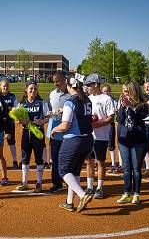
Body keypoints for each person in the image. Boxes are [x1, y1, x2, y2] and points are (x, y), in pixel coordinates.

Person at [51, 73, 94, 213]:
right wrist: (64, 111)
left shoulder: (70, 101)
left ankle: (83, 195)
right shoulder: (87, 99)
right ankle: (69, 202)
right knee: (74, 171)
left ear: (69, 86)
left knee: (63, 170)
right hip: (87, 140)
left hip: (73, 140)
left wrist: (54, 129)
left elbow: (65, 126)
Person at [116, 80, 148, 204]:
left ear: (133, 91)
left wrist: (130, 107)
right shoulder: (123, 103)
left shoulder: (142, 105)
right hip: (124, 139)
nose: (124, 94)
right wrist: (122, 107)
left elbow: (137, 120)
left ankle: (136, 194)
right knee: (126, 168)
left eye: (126, 91)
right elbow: (120, 120)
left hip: (138, 140)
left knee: (136, 168)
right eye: (123, 91)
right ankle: (126, 193)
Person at [84, 74, 115, 199]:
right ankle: (90, 187)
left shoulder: (106, 98)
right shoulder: (87, 99)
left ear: (96, 84)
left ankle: (100, 188)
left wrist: (98, 124)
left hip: (101, 136)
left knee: (100, 162)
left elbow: (111, 117)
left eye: (89, 85)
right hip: (89, 136)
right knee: (89, 161)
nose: (87, 87)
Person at [16, 81, 49, 193]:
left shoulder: (41, 103)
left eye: (35, 89)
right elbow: (16, 119)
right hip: (26, 133)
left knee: (39, 157)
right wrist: (20, 121)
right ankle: (24, 182)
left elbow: (48, 117)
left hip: (37, 133)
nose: (33, 91)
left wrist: (42, 121)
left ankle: (39, 182)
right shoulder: (22, 104)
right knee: (25, 157)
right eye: (31, 89)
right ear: (26, 90)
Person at [46, 71, 71, 193]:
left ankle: (68, 181)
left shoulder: (71, 94)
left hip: (68, 132)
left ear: (64, 80)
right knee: (55, 159)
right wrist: (50, 115)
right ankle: (57, 183)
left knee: (67, 159)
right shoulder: (51, 94)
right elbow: (50, 111)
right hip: (55, 132)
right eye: (54, 81)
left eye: (58, 81)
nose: (56, 84)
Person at [0, 79, 19, 169]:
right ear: (0, 87)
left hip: (9, 122)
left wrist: (12, 110)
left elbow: (16, 108)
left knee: (11, 141)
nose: (5, 87)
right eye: (3, 86)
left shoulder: (12, 96)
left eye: (6, 86)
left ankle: (15, 161)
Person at [102, 84, 122, 173]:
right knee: (100, 144)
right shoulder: (100, 100)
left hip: (110, 124)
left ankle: (113, 164)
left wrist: (117, 111)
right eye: (104, 91)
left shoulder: (113, 101)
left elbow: (117, 111)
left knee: (111, 145)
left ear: (110, 92)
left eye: (107, 91)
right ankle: (100, 163)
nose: (106, 92)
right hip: (100, 125)